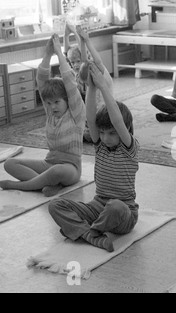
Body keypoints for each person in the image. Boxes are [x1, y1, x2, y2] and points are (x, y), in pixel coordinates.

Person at [48, 63, 140, 253]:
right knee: (55, 204)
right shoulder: (101, 145)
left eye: (111, 134)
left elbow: (117, 120)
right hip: (97, 206)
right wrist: (91, 87)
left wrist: (103, 87)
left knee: (115, 206)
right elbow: (90, 119)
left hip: (124, 213)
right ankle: (91, 234)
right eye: (102, 133)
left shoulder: (128, 147)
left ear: (124, 131)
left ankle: (86, 231)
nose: (105, 138)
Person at [0, 34, 86, 197]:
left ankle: (21, 185)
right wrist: (47, 54)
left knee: (57, 170)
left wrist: (60, 54)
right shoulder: (51, 113)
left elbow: (69, 80)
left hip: (71, 168)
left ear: (67, 100)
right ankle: (46, 185)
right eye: (48, 103)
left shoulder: (76, 112)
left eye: (56, 102)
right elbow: (41, 79)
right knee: (10, 164)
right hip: (49, 163)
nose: (52, 107)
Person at [67, 24, 114, 143]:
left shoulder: (100, 73)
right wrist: (82, 41)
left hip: (106, 113)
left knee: (92, 134)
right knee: (82, 131)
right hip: (94, 115)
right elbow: (84, 60)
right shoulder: (88, 79)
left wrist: (86, 40)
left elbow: (94, 58)